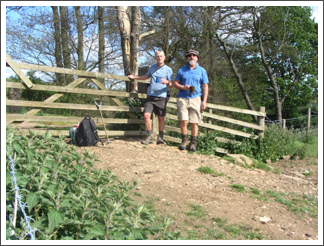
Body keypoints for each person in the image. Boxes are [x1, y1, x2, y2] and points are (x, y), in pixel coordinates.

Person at [127, 50, 173, 145]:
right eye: (157, 56)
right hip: (150, 96)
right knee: (146, 115)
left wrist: (167, 82)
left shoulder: (168, 70)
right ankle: (150, 136)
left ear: (164, 57)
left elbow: (172, 84)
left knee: (161, 117)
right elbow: (146, 76)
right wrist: (134, 77)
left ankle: (160, 137)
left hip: (161, 97)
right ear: (155, 58)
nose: (159, 58)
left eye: (161, 56)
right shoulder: (152, 67)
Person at [174, 49, 209, 152]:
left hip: (196, 98)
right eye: (189, 55)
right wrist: (183, 87)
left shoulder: (202, 70)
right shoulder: (182, 70)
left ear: (197, 58)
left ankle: (193, 143)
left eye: (194, 55)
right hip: (183, 97)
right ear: (187, 58)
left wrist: (204, 101)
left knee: (194, 122)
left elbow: (205, 86)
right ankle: (184, 140)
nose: (192, 57)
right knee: (183, 120)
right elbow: (175, 84)